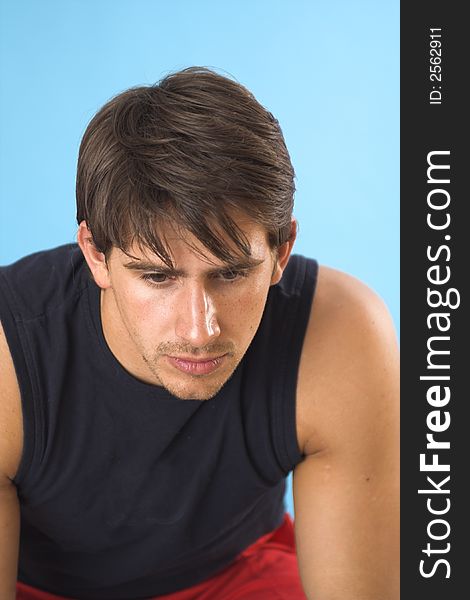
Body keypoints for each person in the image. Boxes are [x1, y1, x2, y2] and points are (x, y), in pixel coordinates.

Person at [0, 67, 399, 600]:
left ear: (281, 252)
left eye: (231, 273)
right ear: (96, 255)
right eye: (157, 276)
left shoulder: (339, 336)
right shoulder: (8, 356)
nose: (199, 329)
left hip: (237, 575)